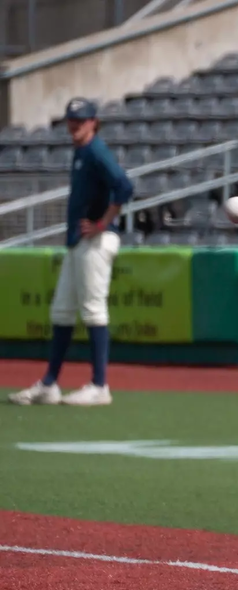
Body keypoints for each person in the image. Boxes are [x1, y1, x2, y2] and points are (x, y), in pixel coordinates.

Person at [7, 98, 133, 407]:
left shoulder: (95, 151)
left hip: (95, 242)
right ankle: (49, 384)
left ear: (94, 122)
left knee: (93, 310)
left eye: (81, 119)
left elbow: (125, 186)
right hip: (79, 241)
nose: (74, 125)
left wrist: (103, 223)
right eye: (71, 120)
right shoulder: (81, 152)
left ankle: (100, 386)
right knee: (62, 311)